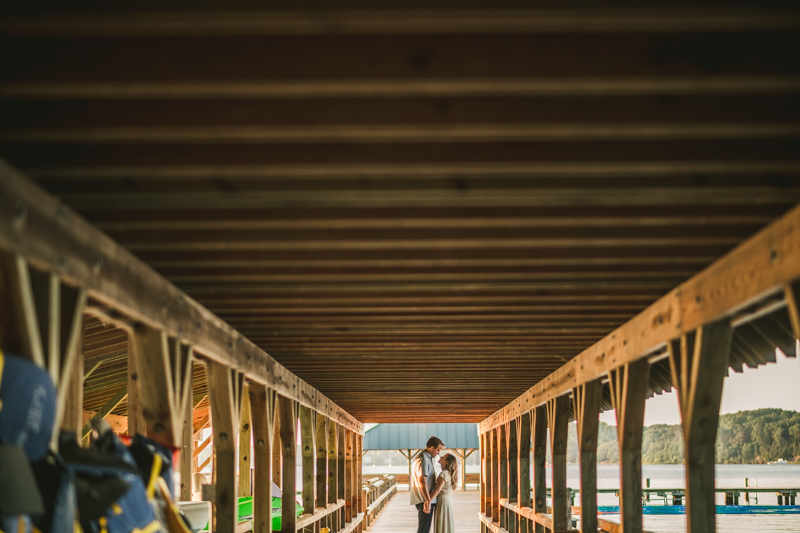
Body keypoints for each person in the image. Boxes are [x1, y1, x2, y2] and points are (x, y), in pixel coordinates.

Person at [410, 436, 445, 533]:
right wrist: (428, 500)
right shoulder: (423, 458)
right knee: (424, 529)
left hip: (425, 498)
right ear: (431, 448)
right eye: (438, 450)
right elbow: (422, 480)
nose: (439, 453)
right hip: (424, 499)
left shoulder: (425, 457)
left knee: (425, 528)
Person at [426, 453, 458, 533]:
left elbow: (437, 490)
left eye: (444, 457)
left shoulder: (443, 474)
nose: (441, 456)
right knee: (445, 523)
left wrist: (428, 501)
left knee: (441, 523)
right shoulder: (448, 473)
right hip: (446, 501)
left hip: (442, 501)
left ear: (446, 462)